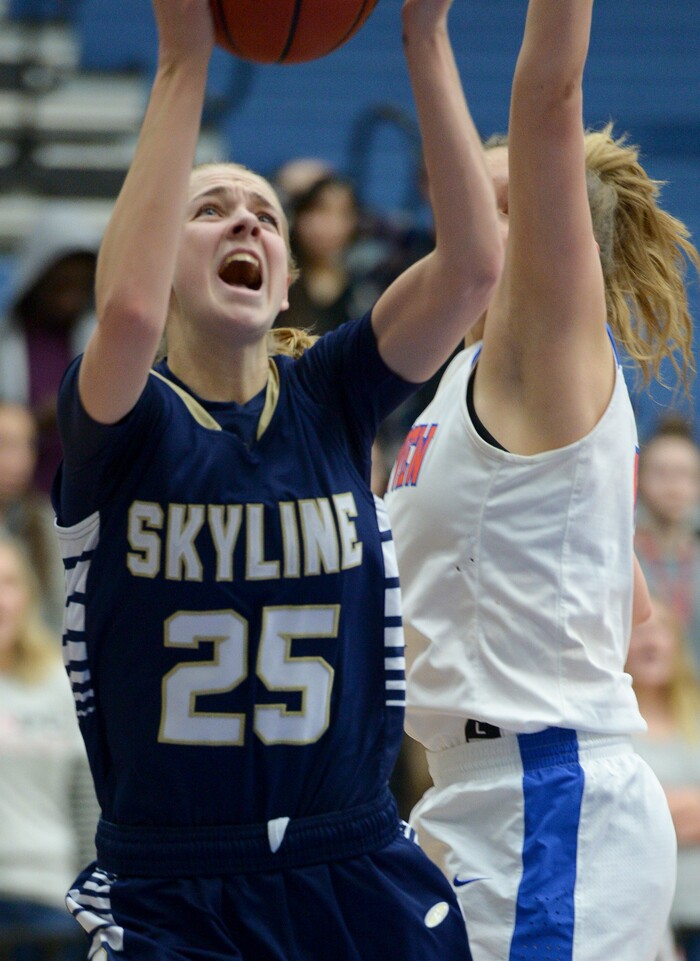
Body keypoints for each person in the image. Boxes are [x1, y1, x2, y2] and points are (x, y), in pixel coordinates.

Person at [50, 0, 502, 958]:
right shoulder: (124, 423)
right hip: (174, 881)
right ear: (158, 257)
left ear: (288, 280)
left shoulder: (332, 394)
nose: (242, 221)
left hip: (352, 853)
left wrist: (425, 35)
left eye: (263, 214)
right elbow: (126, 314)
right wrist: (183, 60)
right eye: (206, 211)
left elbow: (470, 269)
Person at [384, 1, 699, 959]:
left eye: (496, 197)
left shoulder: (551, 348)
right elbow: (633, 607)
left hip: (547, 802)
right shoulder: (458, 383)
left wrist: (424, 33)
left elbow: (549, 89)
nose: (465, 217)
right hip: (477, 792)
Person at [0, 533, 97, 961]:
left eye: (8, 583)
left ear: (29, 594)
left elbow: (87, 805)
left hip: (54, 905)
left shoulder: (61, 684)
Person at [0, 202, 101, 494]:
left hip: (84, 497)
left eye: (80, 287)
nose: (68, 300)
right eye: (60, 285)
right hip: (16, 501)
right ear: (36, 278)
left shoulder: (102, 343)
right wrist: (32, 421)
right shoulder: (7, 341)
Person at [626, 596, 700, 961]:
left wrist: (655, 808)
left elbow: (639, 809)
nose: (651, 643)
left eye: (660, 632)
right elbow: (617, 815)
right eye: (638, 633)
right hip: (647, 920)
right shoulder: (610, 731)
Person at [635, 416, 700, 673]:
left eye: (684, 475)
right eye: (661, 473)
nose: (673, 486)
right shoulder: (624, 554)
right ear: (639, 479)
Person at [0, 400, 66, 635]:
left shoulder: (46, 522)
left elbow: (59, 613)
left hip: (35, 660)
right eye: (5, 444)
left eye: (28, 445)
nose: (19, 460)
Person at [279, 173, 366, 335]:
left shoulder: (366, 289)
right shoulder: (274, 284)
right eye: (319, 209)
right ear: (297, 216)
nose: (330, 224)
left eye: (343, 213)